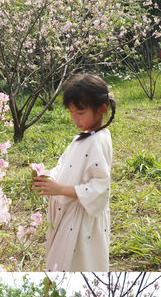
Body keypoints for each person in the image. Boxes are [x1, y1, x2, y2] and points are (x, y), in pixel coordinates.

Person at [31, 73, 114, 271]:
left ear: (102, 108)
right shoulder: (83, 137)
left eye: (81, 113)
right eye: (71, 113)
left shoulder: (98, 141)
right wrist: (48, 178)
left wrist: (59, 189)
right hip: (69, 212)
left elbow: (100, 188)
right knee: (63, 259)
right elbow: (63, 164)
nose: (75, 119)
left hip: (82, 218)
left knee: (79, 262)